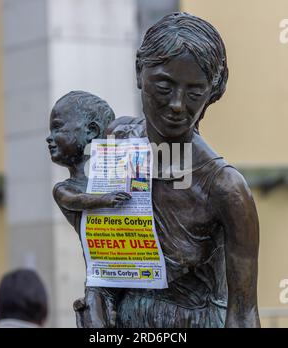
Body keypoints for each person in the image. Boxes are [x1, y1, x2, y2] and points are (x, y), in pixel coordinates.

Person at [107, 12, 260, 328]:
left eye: (194, 92)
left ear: (213, 91)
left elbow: (243, 311)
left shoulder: (225, 188)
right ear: (139, 72)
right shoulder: (119, 144)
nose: (177, 104)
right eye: (164, 86)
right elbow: (103, 258)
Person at [46, 91, 132, 327]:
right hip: (101, 277)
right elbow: (76, 200)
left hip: (138, 270)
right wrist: (104, 200)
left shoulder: (122, 176)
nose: (49, 138)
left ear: (91, 132)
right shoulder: (63, 188)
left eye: (57, 129)